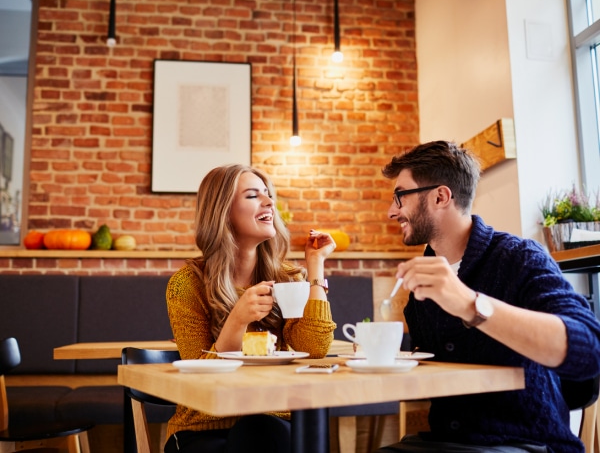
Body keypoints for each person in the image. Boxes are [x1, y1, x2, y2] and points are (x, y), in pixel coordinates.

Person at [377, 140, 600, 453]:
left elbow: (590, 349)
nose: (391, 211)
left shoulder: (519, 258)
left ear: (441, 196)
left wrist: (470, 304)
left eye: (400, 196)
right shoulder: (422, 283)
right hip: (448, 443)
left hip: (527, 443)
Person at [164, 164, 336, 453]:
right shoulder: (187, 284)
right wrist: (238, 320)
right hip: (205, 428)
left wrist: (315, 265)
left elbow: (314, 348)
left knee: (264, 428)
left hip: (274, 420)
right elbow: (200, 384)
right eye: (253, 196)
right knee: (261, 432)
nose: (269, 202)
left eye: (268, 195)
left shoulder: (288, 278)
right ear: (222, 211)